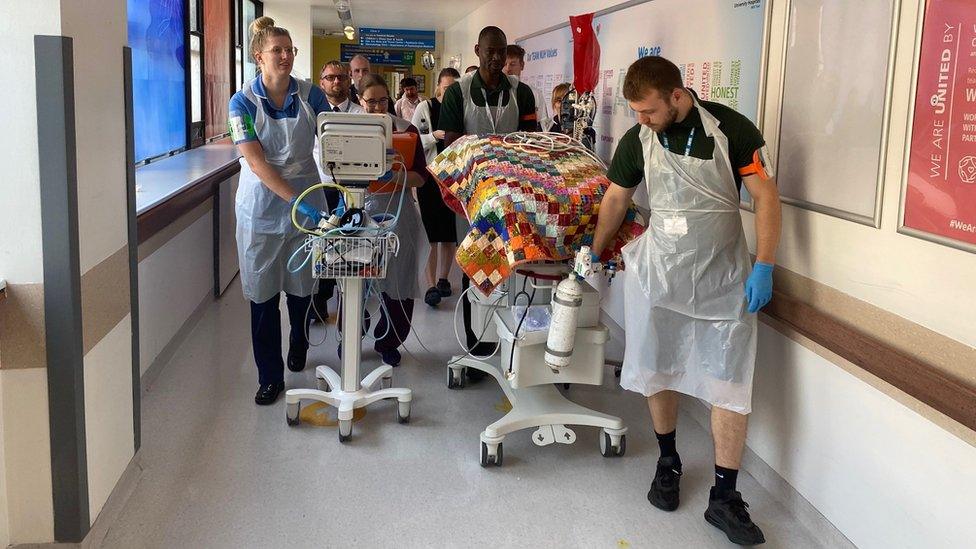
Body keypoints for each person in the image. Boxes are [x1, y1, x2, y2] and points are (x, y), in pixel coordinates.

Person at [589, 56, 781, 546]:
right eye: (636, 112)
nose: (641, 120)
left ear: (678, 96)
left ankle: (725, 496)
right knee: (659, 368)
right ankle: (668, 461)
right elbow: (615, 200)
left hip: (723, 277)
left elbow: (765, 196)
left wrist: (765, 263)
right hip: (660, 277)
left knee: (730, 380)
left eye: (649, 110)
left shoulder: (730, 130)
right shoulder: (638, 141)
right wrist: (593, 252)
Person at [228, 17, 334, 405]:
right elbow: (256, 163)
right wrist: (296, 200)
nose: (287, 56)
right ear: (260, 57)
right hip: (261, 207)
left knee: (302, 287)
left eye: (290, 50)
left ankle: (299, 342)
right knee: (263, 295)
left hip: (307, 199)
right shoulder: (241, 103)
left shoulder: (311, 95)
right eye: (278, 51)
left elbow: (333, 135)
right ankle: (269, 375)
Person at [438, 25, 538, 361]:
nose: (496, 58)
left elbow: (530, 143)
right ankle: (475, 340)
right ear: (478, 50)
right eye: (490, 51)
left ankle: (511, 340)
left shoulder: (520, 92)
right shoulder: (458, 93)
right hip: (472, 195)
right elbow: (452, 146)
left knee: (511, 266)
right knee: (475, 265)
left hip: (512, 196)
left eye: (501, 52)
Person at [353, 74, 429, 367]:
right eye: (370, 101)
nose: (376, 107)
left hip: (398, 209)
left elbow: (421, 178)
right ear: (360, 101)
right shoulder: (347, 127)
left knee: (399, 279)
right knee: (355, 279)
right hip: (359, 211)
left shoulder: (406, 130)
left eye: (382, 101)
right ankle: (351, 337)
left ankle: (389, 340)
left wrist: (394, 175)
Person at [310, 60, 365, 323]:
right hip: (320, 189)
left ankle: (350, 312)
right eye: (330, 77)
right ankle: (319, 302)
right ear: (321, 82)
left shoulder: (360, 115)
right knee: (321, 246)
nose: (336, 82)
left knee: (349, 247)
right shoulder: (312, 115)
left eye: (341, 77)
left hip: (350, 192)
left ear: (348, 81)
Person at [411, 67, 460, 307]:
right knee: (430, 232)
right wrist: (433, 136)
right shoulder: (425, 107)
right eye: (446, 85)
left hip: (453, 177)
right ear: (438, 86)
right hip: (430, 176)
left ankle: (444, 279)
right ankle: (430, 284)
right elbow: (413, 138)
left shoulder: (459, 108)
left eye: (454, 86)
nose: (450, 90)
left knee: (449, 233)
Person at [503, 44, 548, 131]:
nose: (508, 69)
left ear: (522, 65)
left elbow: (543, 124)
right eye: (504, 64)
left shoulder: (535, 93)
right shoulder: (496, 93)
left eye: (512, 64)